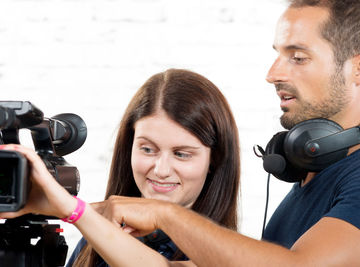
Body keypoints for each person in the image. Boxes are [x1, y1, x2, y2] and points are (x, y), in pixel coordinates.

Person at [92, 0, 360, 266]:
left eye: (298, 58)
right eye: (278, 55)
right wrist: (73, 212)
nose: (272, 74)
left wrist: (164, 215)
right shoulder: (314, 174)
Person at [0, 68, 240, 266]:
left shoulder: (225, 256)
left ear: (214, 160)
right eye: (147, 149)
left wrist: (74, 210)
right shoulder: (94, 241)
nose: (161, 169)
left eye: (182, 154)